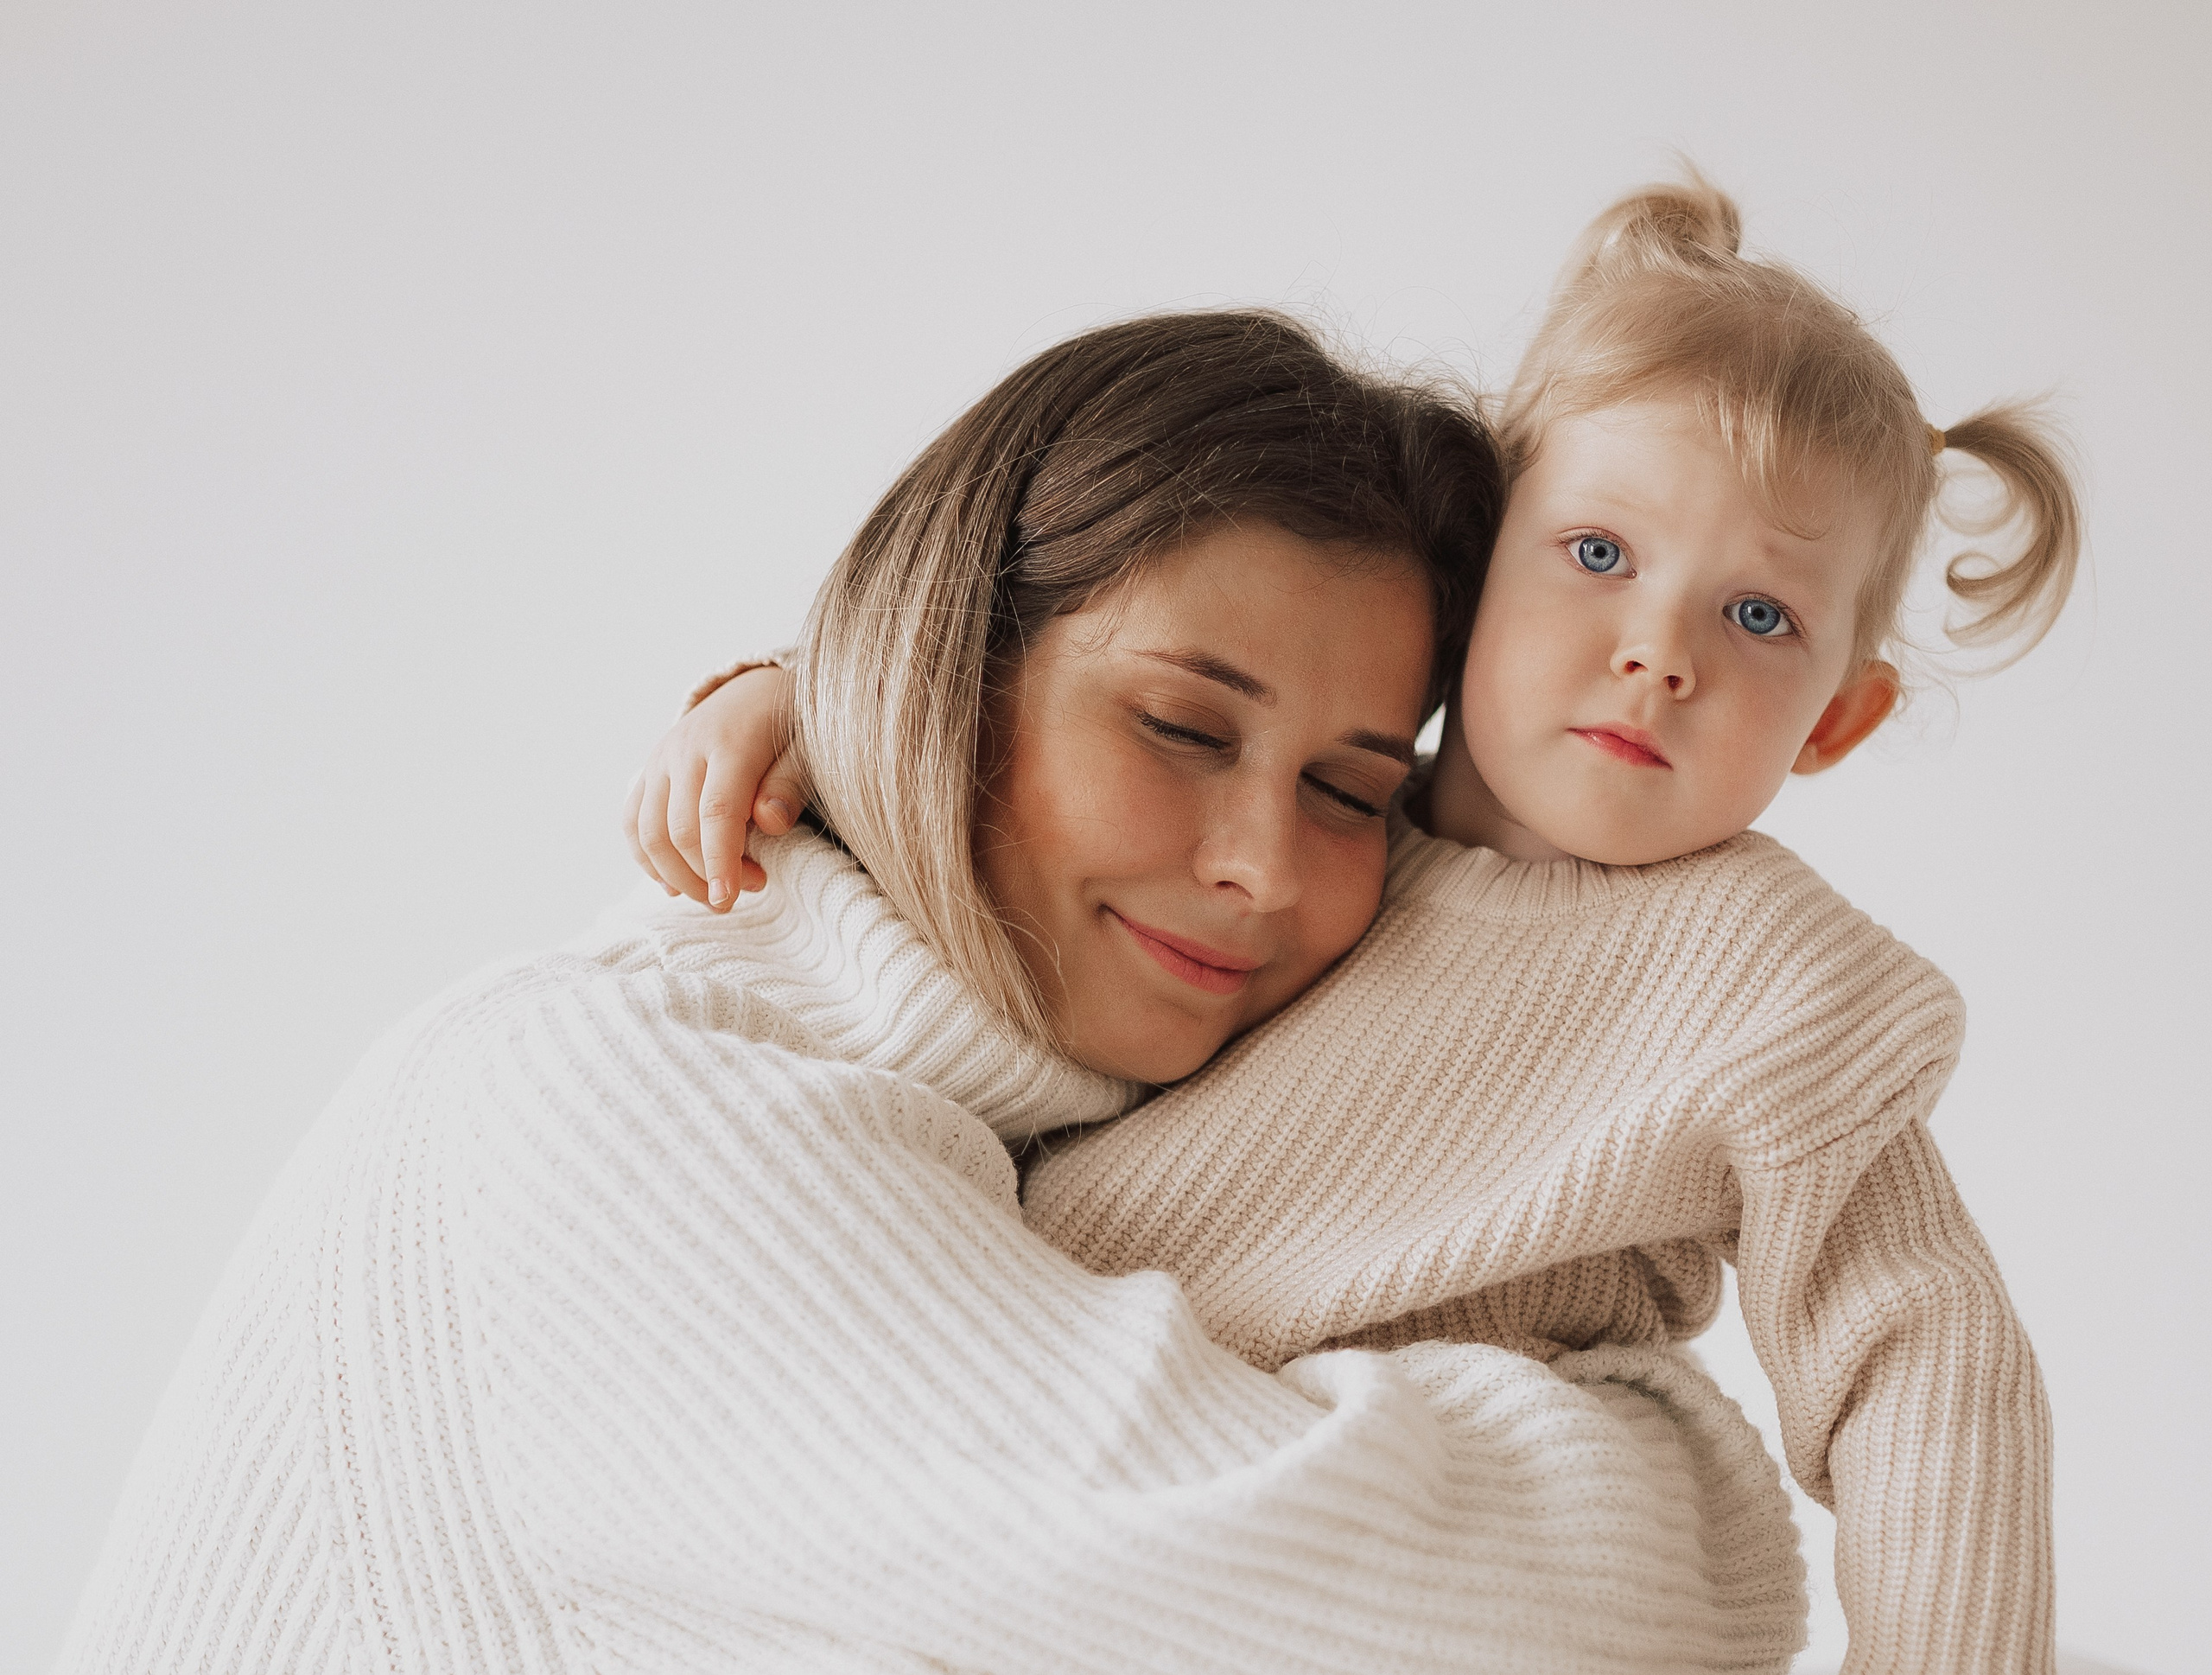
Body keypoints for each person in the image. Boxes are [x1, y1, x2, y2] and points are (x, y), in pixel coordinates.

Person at [59, 310, 1813, 1674]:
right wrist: (1703, 1483)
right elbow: (1518, 1626)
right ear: (934, 667)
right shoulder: (618, 1106)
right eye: (1179, 730)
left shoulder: (1020, 1157)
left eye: (1351, 791)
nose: (1264, 869)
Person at [652, 177, 2077, 1672]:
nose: (1659, 652)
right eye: (1601, 554)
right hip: (1068, 1443)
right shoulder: (1316, 840)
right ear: (1472, 586)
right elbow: (990, 735)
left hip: (1430, 1518)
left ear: (1838, 722)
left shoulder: (1775, 983)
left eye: (1761, 617)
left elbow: (1927, 1354)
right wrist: (794, 700)